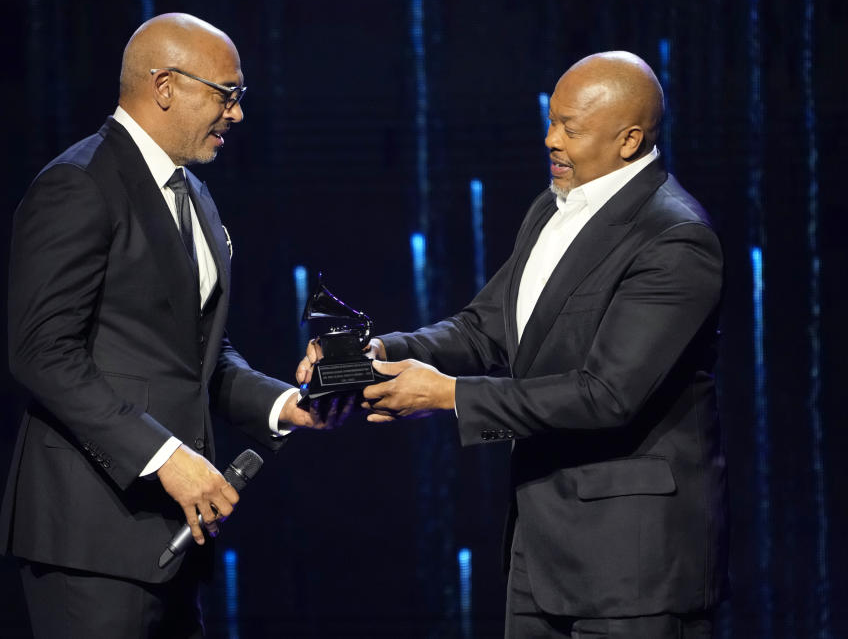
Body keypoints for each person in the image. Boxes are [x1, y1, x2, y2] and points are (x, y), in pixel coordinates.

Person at [298, 51, 727, 638]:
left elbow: (606, 396)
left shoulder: (675, 239)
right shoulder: (552, 208)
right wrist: (379, 352)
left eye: (570, 129)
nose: (550, 140)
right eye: (552, 121)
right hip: (539, 552)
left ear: (628, 140)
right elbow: (486, 328)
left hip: (632, 568)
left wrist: (448, 396)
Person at [0, 13, 325, 638]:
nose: (237, 114)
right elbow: (42, 352)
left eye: (240, 96)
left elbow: (198, 355)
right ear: (166, 85)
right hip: (89, 535)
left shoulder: (194, 194)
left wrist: (286, 405)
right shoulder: (78, 183)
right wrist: (165, 455)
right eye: (226, 94)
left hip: (174, 537)